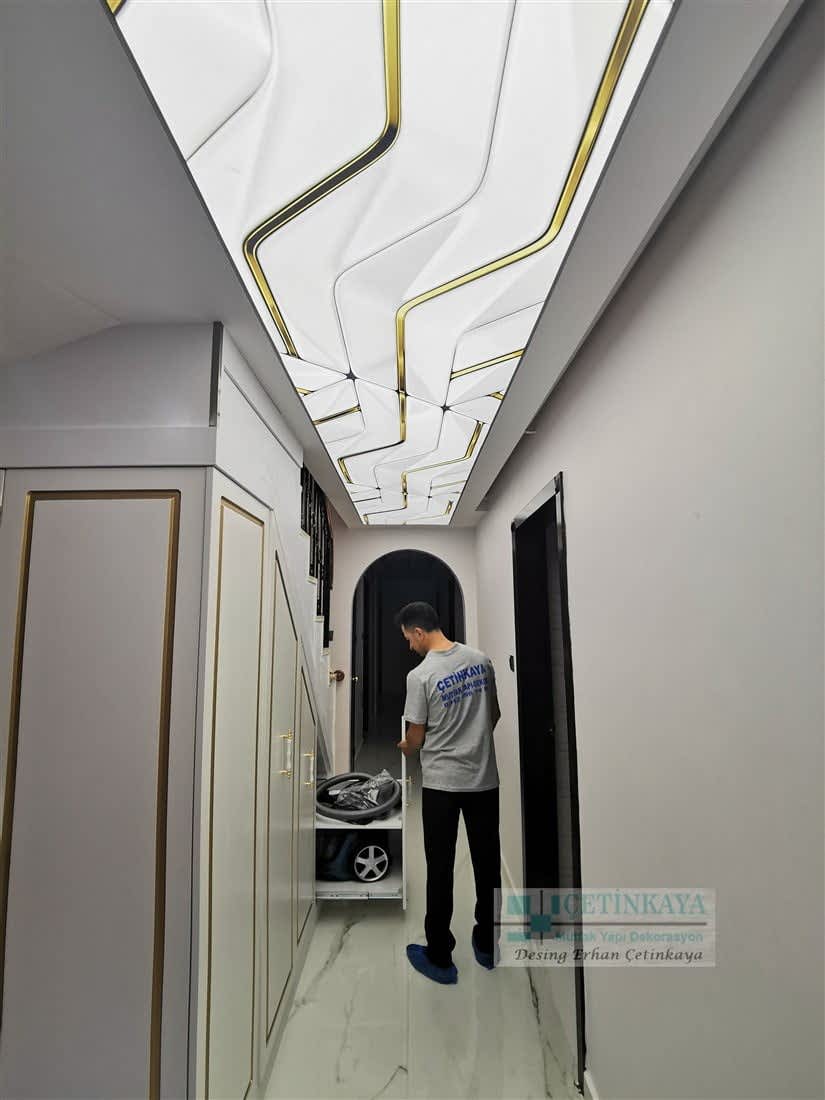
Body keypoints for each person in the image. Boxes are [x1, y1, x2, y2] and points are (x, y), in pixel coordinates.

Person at [395, 601, 502, 985]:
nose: (410, 646)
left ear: (419, 631)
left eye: (408, 639)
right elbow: (494, 715)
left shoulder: (420, 675)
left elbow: (416, 737)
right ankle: (488, 944)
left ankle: (440, 956)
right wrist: (472, 742)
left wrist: (405, 747)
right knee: (488, 864)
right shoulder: (481, 660)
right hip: (484, 780)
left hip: (442, 784)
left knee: (439, 868)